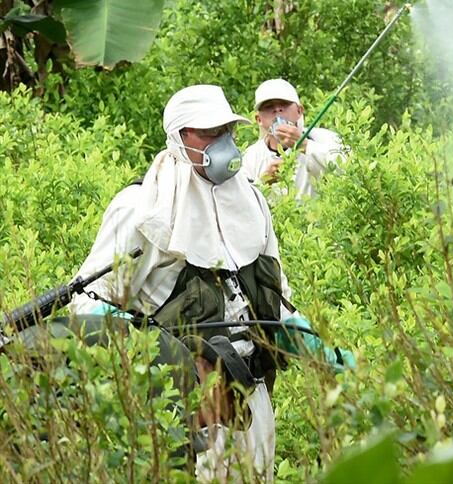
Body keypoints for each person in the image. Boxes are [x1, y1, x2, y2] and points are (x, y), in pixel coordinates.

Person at [67, 84, 340, 481]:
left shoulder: (252, 200)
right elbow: (87, 302)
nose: (224, 142)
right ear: (181, 138)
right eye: (210, 132)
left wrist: (307, 339)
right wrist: (149, 343)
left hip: (252, 394)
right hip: (188, 407)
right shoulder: (143, 210)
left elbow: (276, 295)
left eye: (227, 130)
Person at [241, 78, 347, 198]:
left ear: (299, 111)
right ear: (259, 119)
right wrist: (264, 181)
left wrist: (305, 145)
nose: (277, 110)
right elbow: (242, 200)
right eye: (268, 106)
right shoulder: (250, 157)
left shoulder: (325, 138)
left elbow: (349, 169)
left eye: (284, 104)